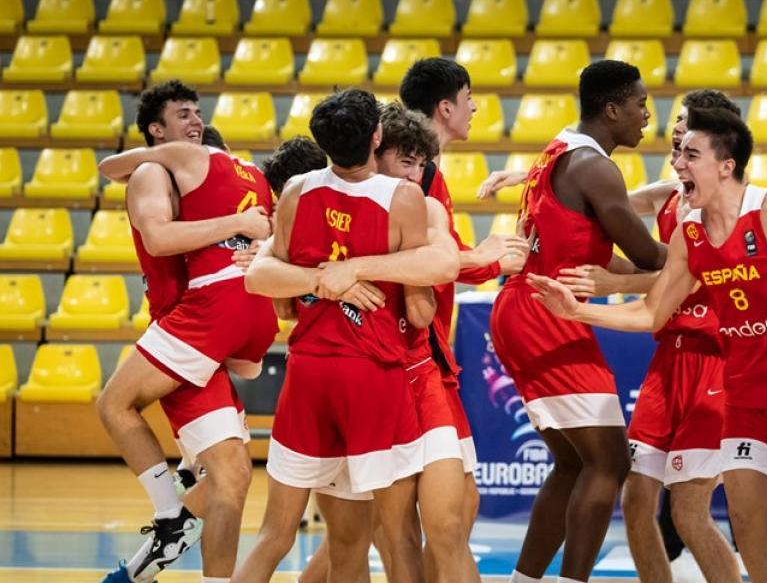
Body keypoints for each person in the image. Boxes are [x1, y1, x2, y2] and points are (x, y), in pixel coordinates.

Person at [528, 107, 767, 583]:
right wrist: (577, 312)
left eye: (690, 155)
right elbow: (652, 312)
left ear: (726, 166)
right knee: (745, 523)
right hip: (746, 395)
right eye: (678, 153)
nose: (677, 164)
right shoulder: (690, 235)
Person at [233, 89, 460, 582]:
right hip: (374, 376)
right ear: (377, 137)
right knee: (398, 537)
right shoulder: (404, 197)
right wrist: (350, 277)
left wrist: (325, 278)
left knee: (287, 536)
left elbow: (279, 301)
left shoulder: (296, 191)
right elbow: (420, 311)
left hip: (309, 375)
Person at [549, 89, 742, 582]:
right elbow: (605, 201)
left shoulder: (723, 205)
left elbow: (687, 280)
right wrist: (536, 181)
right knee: (635, 500)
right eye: (677, 119)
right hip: (669, 358)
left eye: (686, 120)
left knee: (689, 512)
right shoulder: (675, 191)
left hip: (713, 360)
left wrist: (614, 283)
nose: (675, 126)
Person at [491, 59, 663, 583]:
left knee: (574, 464)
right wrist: (702, 253)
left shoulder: (558, 149)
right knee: (610, 462)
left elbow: (596, 252)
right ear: (611, 110)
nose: (647, 115)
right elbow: (647, 254)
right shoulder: (595, 166)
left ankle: (525, 579)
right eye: (639, 104)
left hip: (525, 305)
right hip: (546, 311)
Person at [97, 80, 274, 583]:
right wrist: (246, 227)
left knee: (116, 405)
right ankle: (143, 562)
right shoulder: (154, 172)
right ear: (157, 130)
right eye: (183, 114)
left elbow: (172, 234)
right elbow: (158, 234)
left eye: (198, 113)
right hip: (202, 328)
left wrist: (251, 233)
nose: (196, 121)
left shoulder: (192, 174)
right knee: (231, 478)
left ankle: (169, 515)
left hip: (200, 322)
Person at [399, 58, 529, 580]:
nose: (474, 107)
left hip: (428, 350)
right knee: (399, 520)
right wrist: (494, 259)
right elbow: (440, 259)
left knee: (453, 508)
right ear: (445, 107)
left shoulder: (427, 170)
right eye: (468, 97)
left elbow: (446, 255)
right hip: (410, 354)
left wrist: (492, 258)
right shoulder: (417, 173)